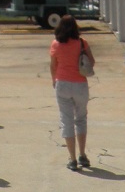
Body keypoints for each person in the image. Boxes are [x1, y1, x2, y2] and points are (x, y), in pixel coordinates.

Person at [49, 14, 95, 171]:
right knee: (81, 119)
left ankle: (73, 159)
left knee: (66, 120)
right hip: (80, 84)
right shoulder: (82, 43)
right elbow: (92, 61)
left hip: (62, 83)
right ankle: (82, 154)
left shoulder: (56, 44)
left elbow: (53, 65)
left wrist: (54, 80)